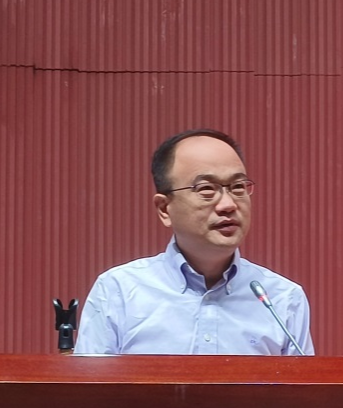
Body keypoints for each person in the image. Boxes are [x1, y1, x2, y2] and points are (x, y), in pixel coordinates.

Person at [73, 129, 314, 355]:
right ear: (164, 208)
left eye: (238, 187)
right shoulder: (119, 291)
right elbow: (89, 386)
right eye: (206, 189)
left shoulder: (282, 299)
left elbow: (304, 386)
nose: (228, 204)